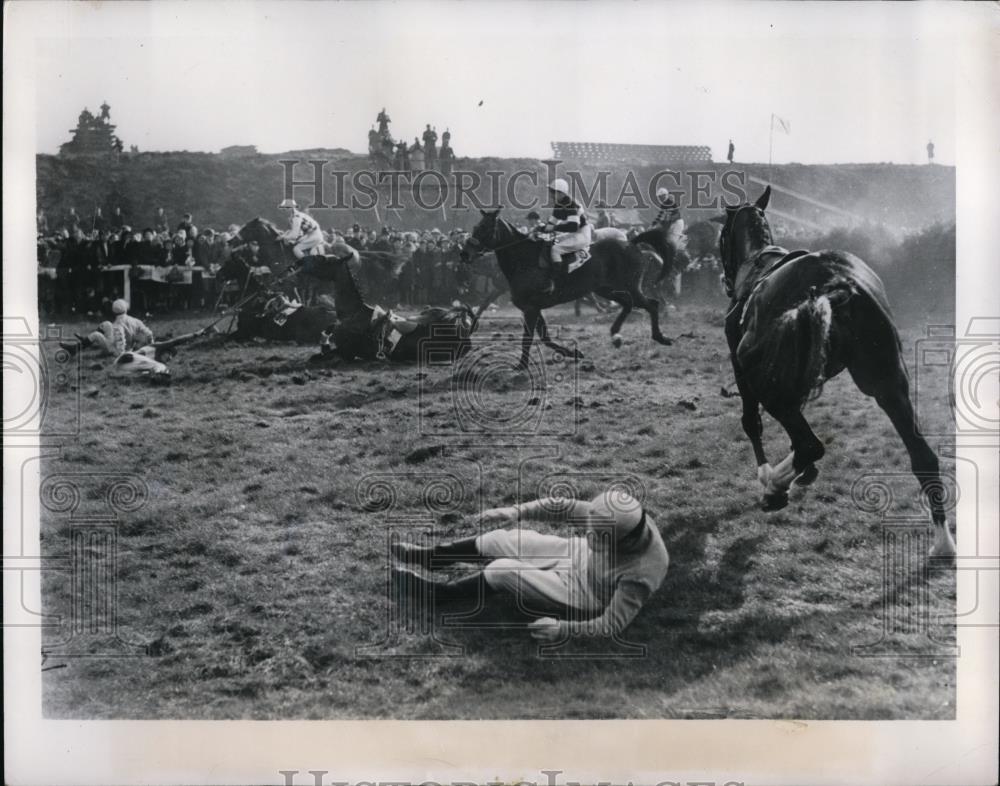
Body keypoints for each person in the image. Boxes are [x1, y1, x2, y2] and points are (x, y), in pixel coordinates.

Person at [392, 489, 669, 643]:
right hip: (581, 557)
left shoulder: (643, 571)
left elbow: (611, 624)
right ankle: (433, 557)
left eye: (599, 537)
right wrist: (515, 511)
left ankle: (440, 594)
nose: (591, 536)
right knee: (503, 539)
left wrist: (563, 630)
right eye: (591, 531)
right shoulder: (615, 517)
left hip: (588, 594)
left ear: (624, 541)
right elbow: (563, 506)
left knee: (503, 570)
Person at [537, 177, 591, 290]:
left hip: (582, 233)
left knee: (555, 249)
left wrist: (553, 227)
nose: (551, 195)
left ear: (561, 193)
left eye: (553, 192)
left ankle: (556, 281)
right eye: (551, 191)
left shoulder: (571, 204)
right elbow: (551, 224)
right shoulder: (559, 204)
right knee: (550, 243)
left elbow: (573, 226)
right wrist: (539, 229)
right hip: (575, 233)